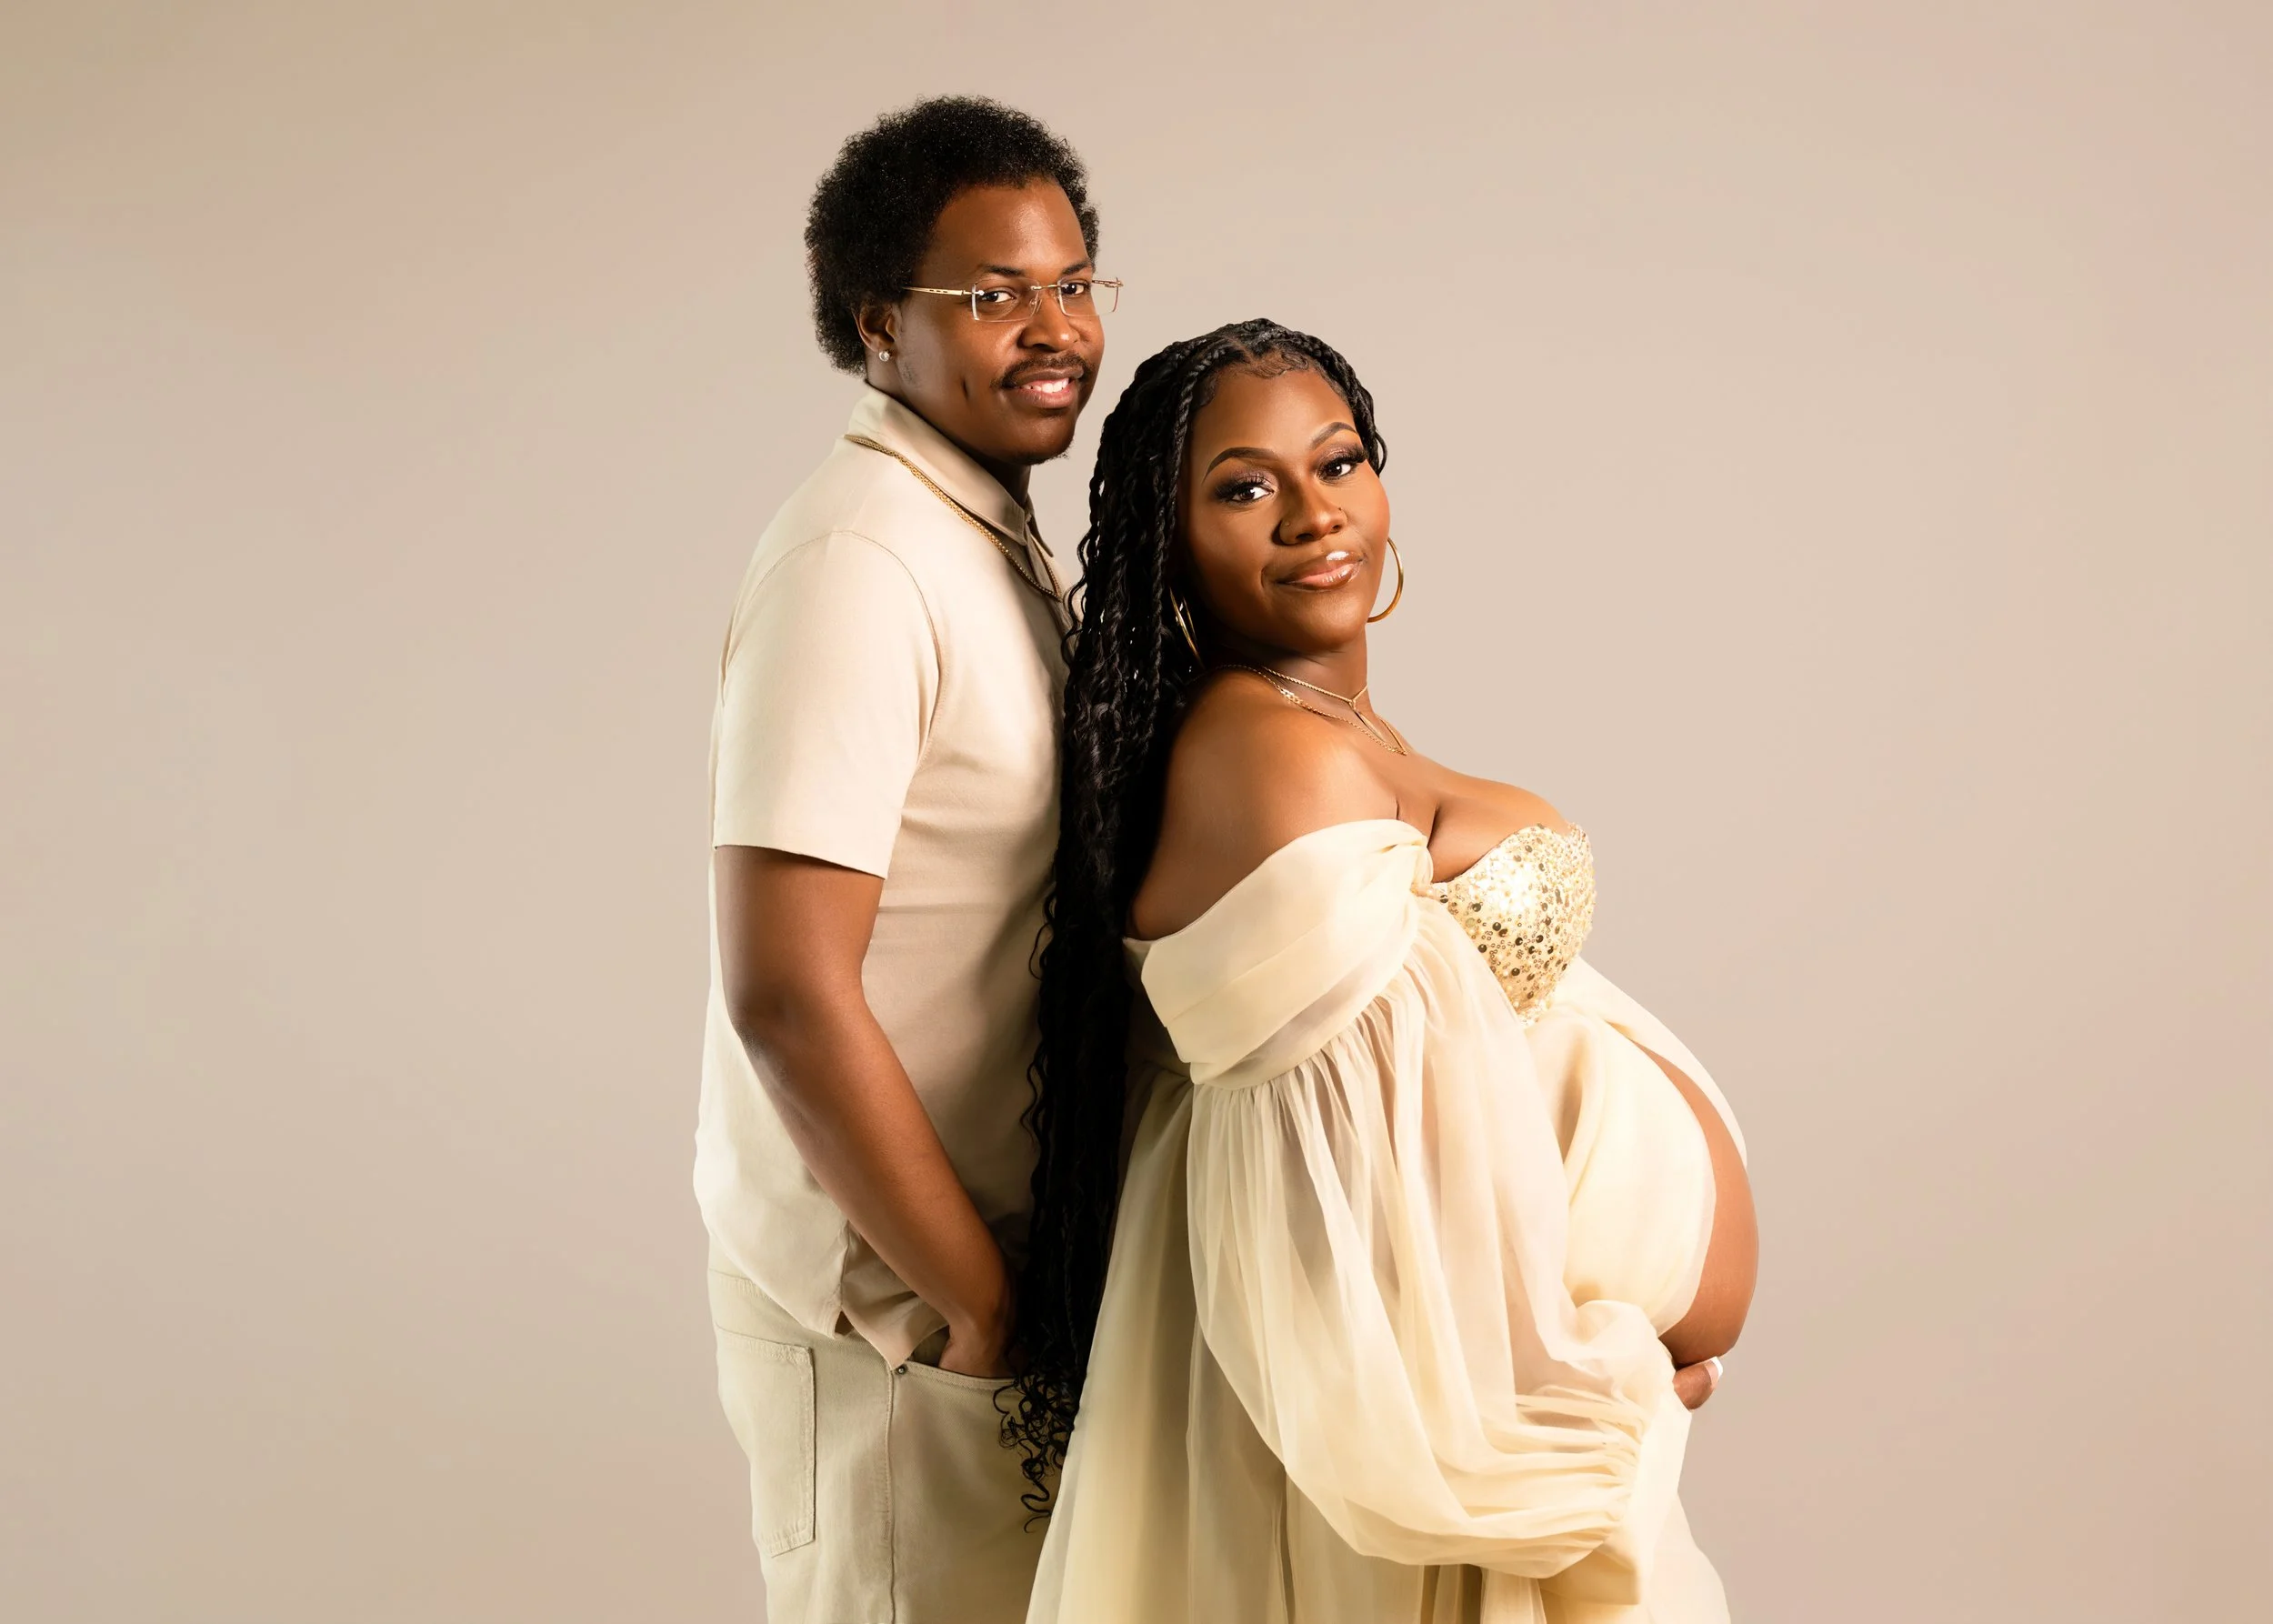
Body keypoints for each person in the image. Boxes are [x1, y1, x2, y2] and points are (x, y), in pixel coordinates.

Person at [1010, 320, 1759, 1623]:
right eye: (1245, 487)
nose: (1311, 514)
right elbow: (1331, 1211)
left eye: (1339, 462)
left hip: (1517, 1367)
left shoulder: (1331, 726)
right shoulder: (1271, 760)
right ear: (1171, 542)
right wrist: (1586, 1383)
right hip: (1457, 1422)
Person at [694, 97, 1116, 1623]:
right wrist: (980, 1305)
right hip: (900, 1320)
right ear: (879, 323)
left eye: (1074, 282)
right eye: (994, 294)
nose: (1055, 326)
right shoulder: (859, 561)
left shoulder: (977, 534)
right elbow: (788, 992)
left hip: (981, 1293)